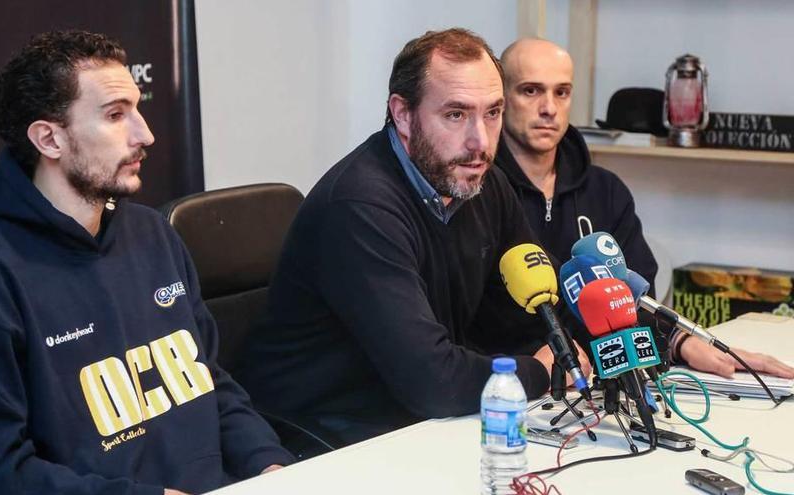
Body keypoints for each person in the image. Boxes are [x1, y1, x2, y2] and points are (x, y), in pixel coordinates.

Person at [0, 30, 293, 495]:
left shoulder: (154, 235)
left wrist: (271, 465)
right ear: (49, 139)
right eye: (116, 115)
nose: (145, 134)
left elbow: (209, 383)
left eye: (137, 109)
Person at [237, 28, 591, 447]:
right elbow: (431, 380)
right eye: (456, 115)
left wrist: (594, 346)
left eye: (492, 113)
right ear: (403, 115)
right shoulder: (360, 206)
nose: (480, 142)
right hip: (322, 438)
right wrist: (539, 371)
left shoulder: (482, 183)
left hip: (415, 423)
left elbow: (533, 315)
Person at [494, 38, 794, 379]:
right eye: (531, 91)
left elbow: (636, 299)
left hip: (604, 380)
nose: (549, 107)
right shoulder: (479, 192)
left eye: (561, 92)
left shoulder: (606, 190)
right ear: (501, 99)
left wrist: (681, 339)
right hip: (512, 383)